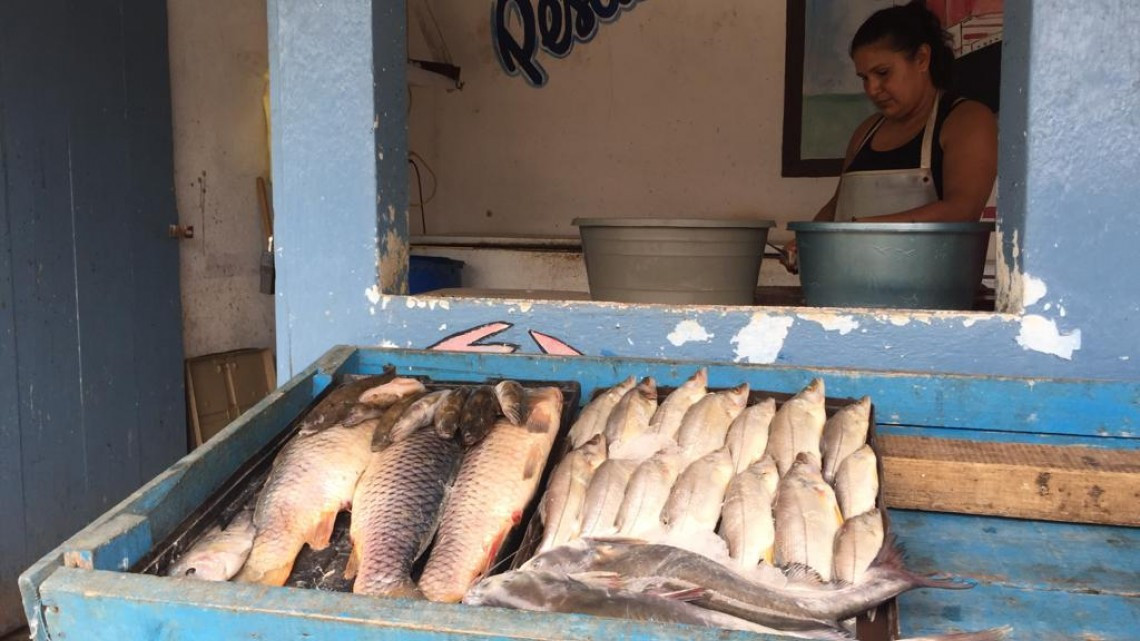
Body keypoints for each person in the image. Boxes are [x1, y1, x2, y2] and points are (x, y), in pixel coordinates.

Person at [781, 0, 997, 273]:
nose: (872, 89)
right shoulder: (865, 131)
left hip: (936, 294)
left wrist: (867, 228)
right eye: (864, 78)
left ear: (922, 59)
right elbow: (838, 205)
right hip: (850, 288)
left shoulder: (967, 120)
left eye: (883, 73)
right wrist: (807, 242)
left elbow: (962, 209)